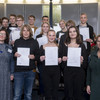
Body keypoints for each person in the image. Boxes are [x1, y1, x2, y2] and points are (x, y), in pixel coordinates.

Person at [59, 26, 87, 100]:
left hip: (79, 73)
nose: (72, 33)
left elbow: (86, 63)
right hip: (68, 72)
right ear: (68, 34)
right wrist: (63, 59)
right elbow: (60, 60)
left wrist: (82, 61)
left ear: (77, 33)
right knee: (68, 93)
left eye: (74, 31)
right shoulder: (65, 46)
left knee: (78, 93)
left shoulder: (82, 45)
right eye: (70, 32)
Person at [13, 24, 39, 100]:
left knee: (28, 94)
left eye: (28, 30)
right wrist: (15, 54)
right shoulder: (17, 42)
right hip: (18, 71)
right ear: (22, 32)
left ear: (30, 32)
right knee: (17, 94)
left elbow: (38, 55)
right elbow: (13, 55)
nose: (26, 32)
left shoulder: (34, 42)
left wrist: (34, 57)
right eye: (24, 30)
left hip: (30, 71)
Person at [40, 30, 61, 100]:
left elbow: (62, 59)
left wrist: (60, 60)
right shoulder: (42, 47)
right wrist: (40, 58)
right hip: (45, 71)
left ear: (55, 36)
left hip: (56, 71)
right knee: (47, 91)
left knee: (55, 90)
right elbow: (38, 59)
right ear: (47, 36)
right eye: (50, 35)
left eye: (53, 35)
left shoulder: (59, 47)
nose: (51, 37)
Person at [0, 28, 14, 100]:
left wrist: (12, 73)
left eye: (4, 34)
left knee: (7, 91)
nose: (2, 35)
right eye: (0, 34)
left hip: (7, 73)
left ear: (6, 36)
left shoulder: (9, 47)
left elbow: (12, 61)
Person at [86, 35, 100, 100]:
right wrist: (88, 84)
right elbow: (89, 70)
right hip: (94, 86)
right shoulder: (93, 53)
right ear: (96, 42)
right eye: (98, 41)